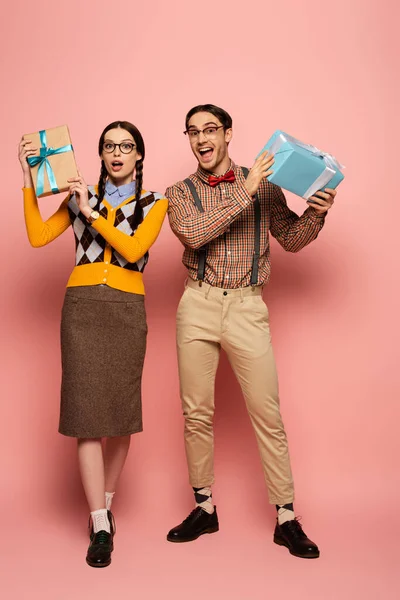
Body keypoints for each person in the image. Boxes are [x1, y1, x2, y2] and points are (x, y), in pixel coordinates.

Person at [165, 104, 337, 559]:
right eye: (193, 132)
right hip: (197, 304)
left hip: (247, 307)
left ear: (228, 134)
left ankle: (285, 517)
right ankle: (204, 507)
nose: (202, 139)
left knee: (267, 414)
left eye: (210, 130)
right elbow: (194, 234)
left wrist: (316, 214)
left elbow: (292, 240)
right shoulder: (178, 192)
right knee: (196, 412)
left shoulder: (265, 186)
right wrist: (248, 188)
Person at [19, 121, 168, 568]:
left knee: (121, 416)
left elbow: (134, 250)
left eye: (126, 145)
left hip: (126, 309)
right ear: (100, 154)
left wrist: (91, 214)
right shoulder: (80, 197)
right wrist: (31, 180)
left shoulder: (153, 202)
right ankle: (100, 521)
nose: (117, 152)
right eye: (108, 146)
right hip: (82, 308)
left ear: (139, 154)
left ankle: (105, 497)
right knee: (86, 415)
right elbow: (37, 236)